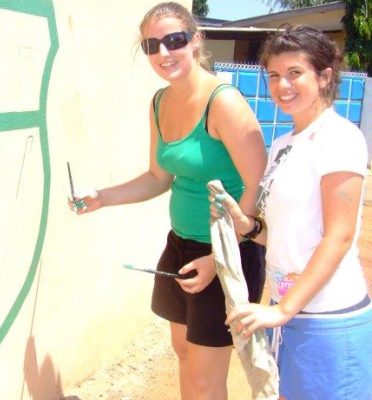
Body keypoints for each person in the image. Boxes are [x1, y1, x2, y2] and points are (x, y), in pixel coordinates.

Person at [69, 2, 267, 399]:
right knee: (184, 355)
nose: (163, 53)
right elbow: (159, 176)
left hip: (227, 253)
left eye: (174, 40)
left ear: (195, 40)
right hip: (180, 245)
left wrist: (219, 258)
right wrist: (102, 197)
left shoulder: (223, 102)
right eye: (151, 45)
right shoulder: (160, 103)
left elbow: (257, 186)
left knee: (208, 379)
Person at [211, 25, 372, 400]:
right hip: (288, 313)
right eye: (274, 75)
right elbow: (286, 232)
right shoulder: (284, 143)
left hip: (326, 319)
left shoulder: (340, 137)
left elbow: (340, 236)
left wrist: (283, 310)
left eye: (294, 73)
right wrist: (247, 226)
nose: (282, 85)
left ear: (325, 76)